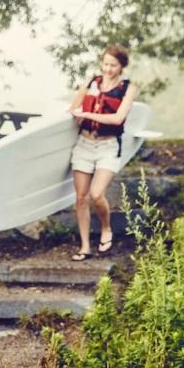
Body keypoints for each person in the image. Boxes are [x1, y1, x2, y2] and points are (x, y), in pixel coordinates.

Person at [66, 44, 138, 261]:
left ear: (121, 66)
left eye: (113, 65)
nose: (108, 69)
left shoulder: (129, 88)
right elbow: (73, 108)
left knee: (97, 194)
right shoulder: (91, 83)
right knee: (81, 197)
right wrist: (79, 114)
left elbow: (117, 118)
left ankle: (106, 228)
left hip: (108, 146)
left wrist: (88, 114)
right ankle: (85, 246)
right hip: (84, 144)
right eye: (105, 64)